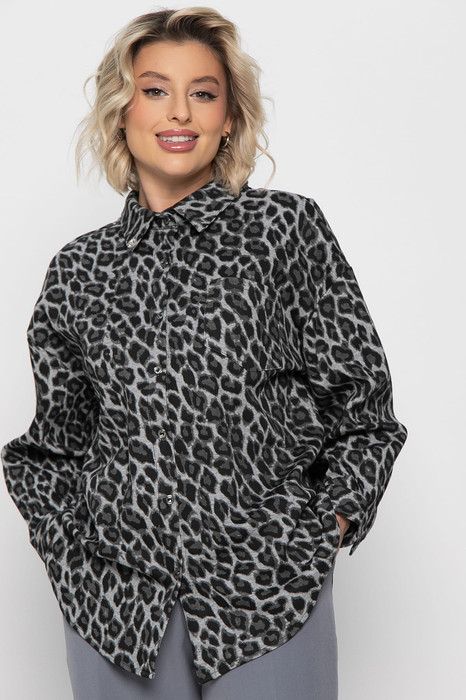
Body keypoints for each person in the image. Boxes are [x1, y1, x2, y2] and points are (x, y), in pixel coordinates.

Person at [1, 7, 408, 700]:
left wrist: (322, 526)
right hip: (116, 607)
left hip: (267, 595)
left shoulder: (284, 230)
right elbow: (55, 446)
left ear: (229, 116)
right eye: (156, 89)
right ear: (121, 110)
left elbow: (364, 409)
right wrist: (71, 557)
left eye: (204, 92)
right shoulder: (78, 270)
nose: (180, 111)